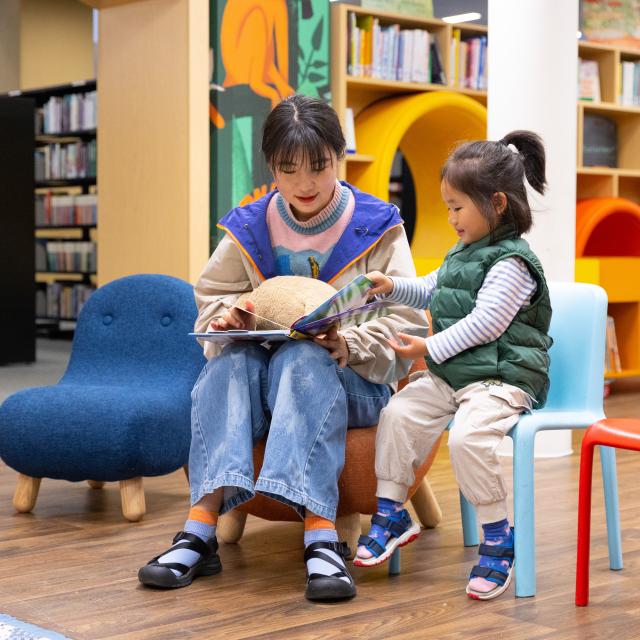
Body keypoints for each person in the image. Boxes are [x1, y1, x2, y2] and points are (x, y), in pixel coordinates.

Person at [137, 94, 427, 602]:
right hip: (260, 379)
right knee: (229, 362)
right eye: (288, 169)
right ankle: (200, 529)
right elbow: (210, 297)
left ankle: (322, 535)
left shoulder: (379, 226)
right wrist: (228, 317)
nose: (305, 184)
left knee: (302, 357)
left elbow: (406, 319)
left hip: (353, 381)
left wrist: (347, 341)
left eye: (319, 166)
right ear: (271, 165)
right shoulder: (250, 224)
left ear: (340, 155)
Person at [355, 130, 553, 601]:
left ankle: (498, 539)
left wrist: (424, 348)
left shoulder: (513, 264)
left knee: (468, 437)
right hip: (458, 374)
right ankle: (391, 513)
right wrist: (392, 287)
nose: (450, 217)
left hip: (502, 378)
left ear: (497, 203)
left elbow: (486, 324)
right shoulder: (464, 252)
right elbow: (432, 289)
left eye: (457, 206)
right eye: (447, 207)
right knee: (398, 413)